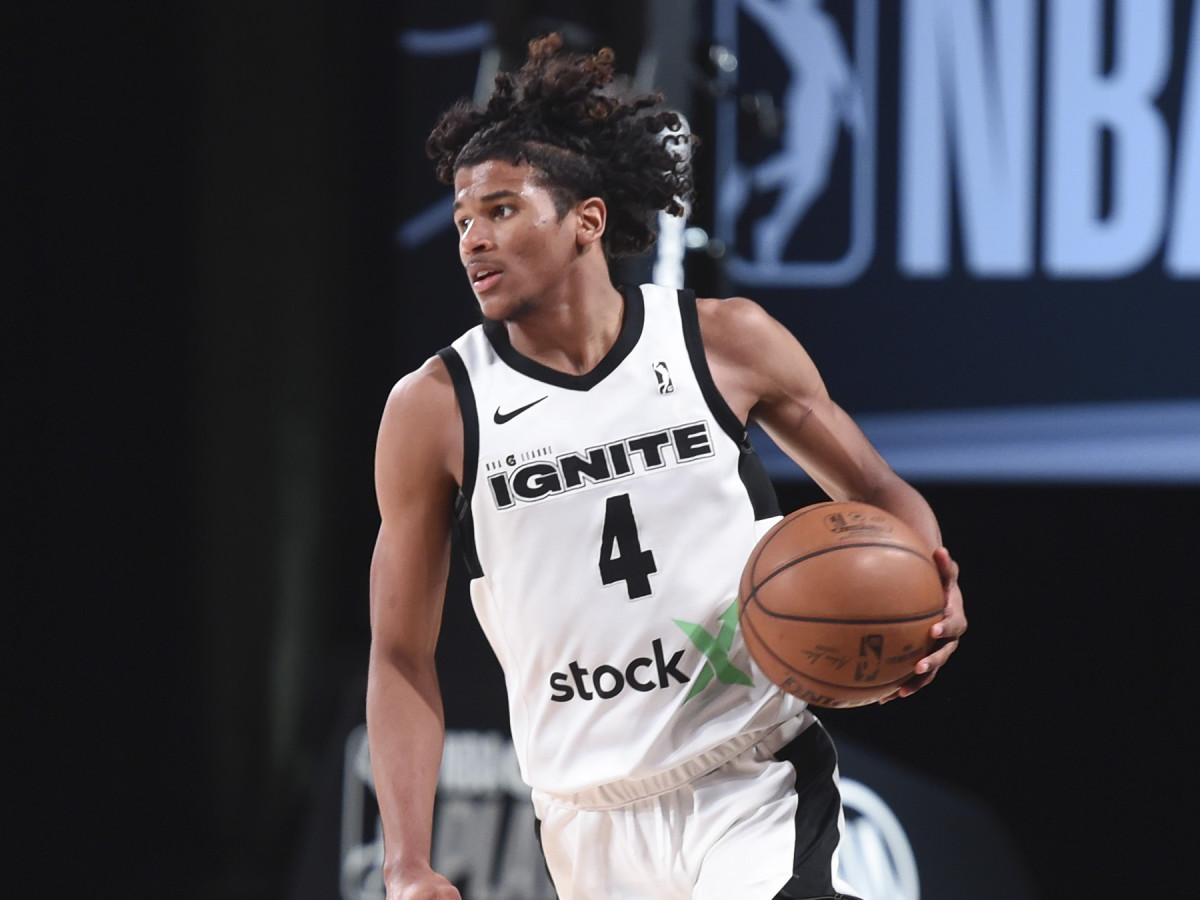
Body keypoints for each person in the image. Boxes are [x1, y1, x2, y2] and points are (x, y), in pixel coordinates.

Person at [367, 34, 965, 900]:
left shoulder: (722, 342)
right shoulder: (434, 408)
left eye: (501, 210)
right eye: (462, 219)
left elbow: (876, 492)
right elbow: (399, 656)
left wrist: (930, 583)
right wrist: (405, 863)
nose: (473, 240)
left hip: (750, 774)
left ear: (588, 221)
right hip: (586, 814)